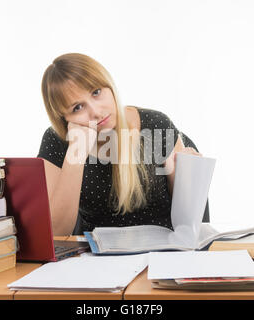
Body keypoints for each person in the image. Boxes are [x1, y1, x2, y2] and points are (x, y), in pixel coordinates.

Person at [38, 53, 205, 236]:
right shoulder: (56, 141)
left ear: (109, 86)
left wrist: (191, 176)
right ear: (64, 118)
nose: (96, 112)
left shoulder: (156, 125)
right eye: (77, 107)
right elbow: (56, 233)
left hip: (163, 253)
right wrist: (76, 154)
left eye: (96, 92)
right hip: (97, 259)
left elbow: (190, 223)